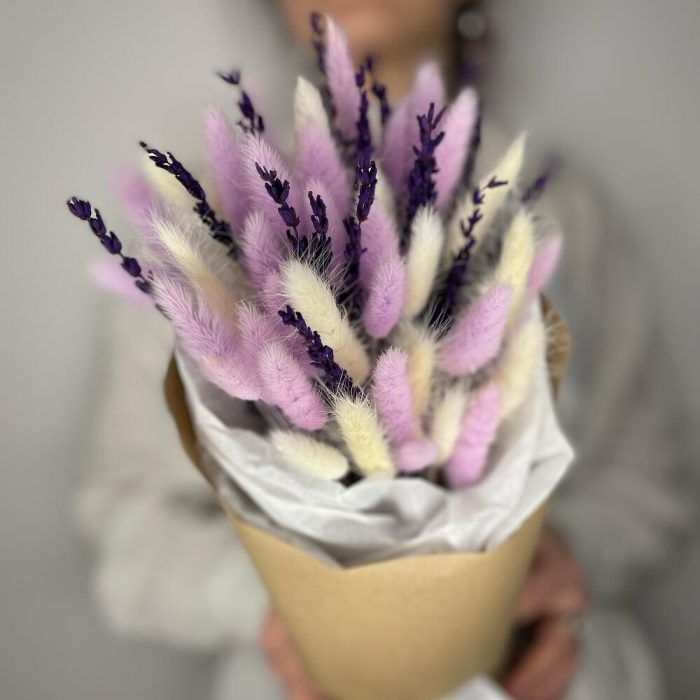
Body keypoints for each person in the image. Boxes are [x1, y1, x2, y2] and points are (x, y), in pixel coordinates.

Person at [74, 2, 694, 699]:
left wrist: (565, 562)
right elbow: (126, 537)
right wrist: (280, 606)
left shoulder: (567, 212)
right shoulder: (197, 237)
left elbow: (651, 479)